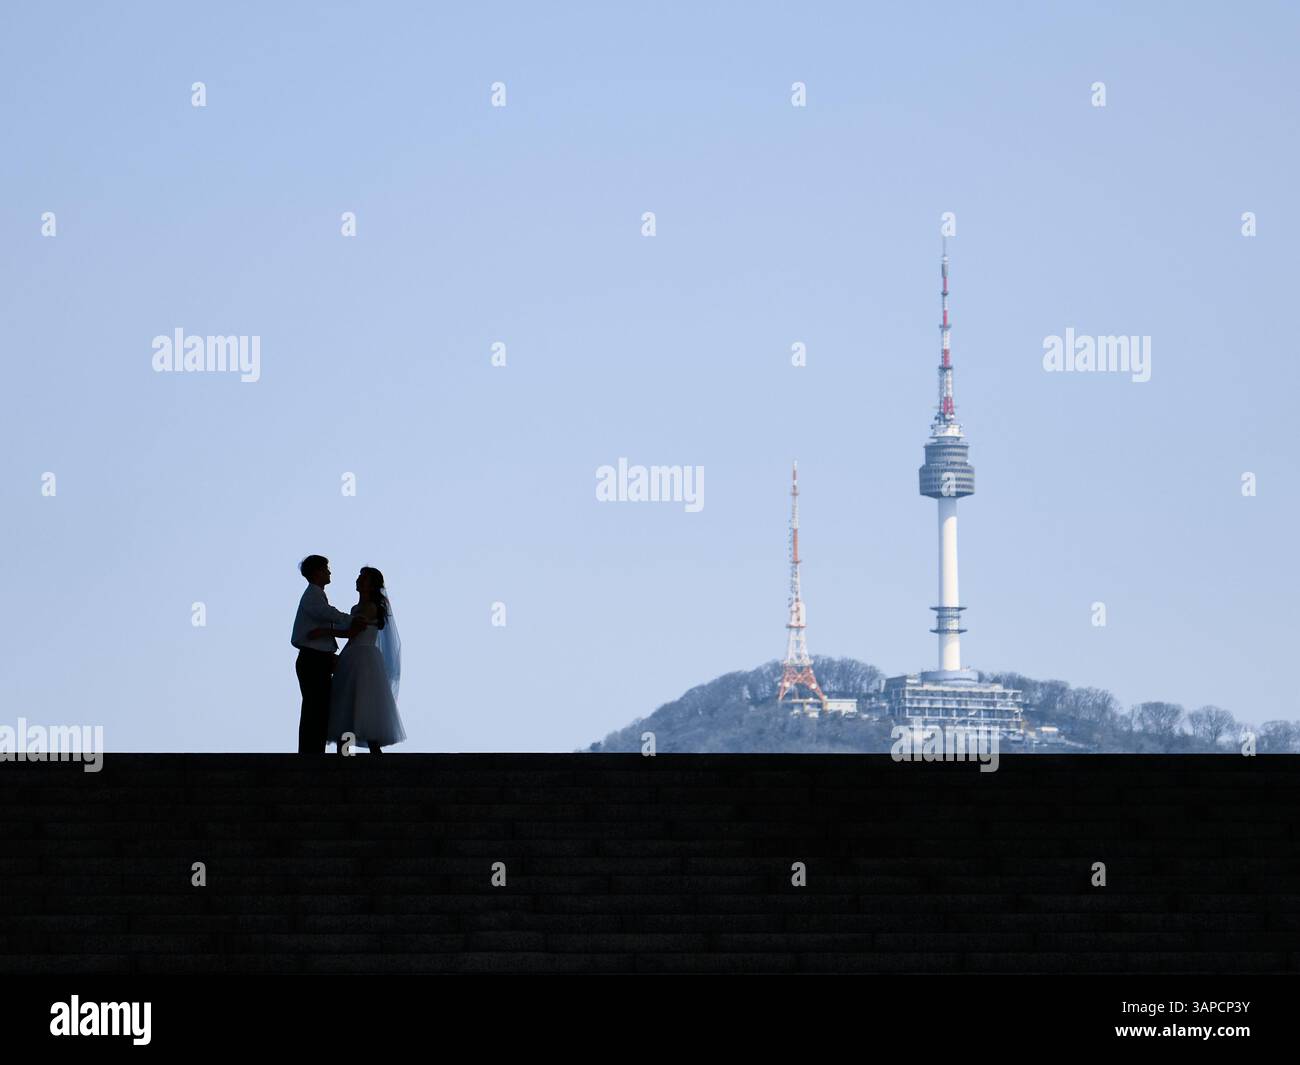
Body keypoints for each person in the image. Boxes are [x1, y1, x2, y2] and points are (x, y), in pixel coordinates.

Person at [315, 566, 405, 754]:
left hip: (364, 661)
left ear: (372, 585)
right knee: (347, 706)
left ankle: (369, 754)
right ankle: (346, 754)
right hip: (352, 658)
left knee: (363, 704)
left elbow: (352, 631)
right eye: (359, 577)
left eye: (364, 578)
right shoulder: (356, 608)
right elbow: (352, 638)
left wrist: (324, 631)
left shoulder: (370, 608)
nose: (359, 580)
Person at [290, 555, 364, 754]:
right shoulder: (313, 596)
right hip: (313, 658)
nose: (329, 573)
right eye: (325, 569)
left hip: (318, 658)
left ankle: (314, 751)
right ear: (316, 573)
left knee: (319, 706)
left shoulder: (316, 595)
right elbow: (327, 613)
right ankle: (311, 752)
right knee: (315, 706)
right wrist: (352, 621)